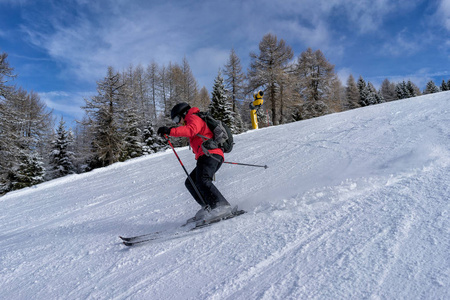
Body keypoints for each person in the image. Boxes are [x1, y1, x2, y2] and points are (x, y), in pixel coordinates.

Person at [157, 102, 232, 223]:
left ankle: (221, 206)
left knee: (203, 180)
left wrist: (170, 131)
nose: (177, 123)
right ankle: (208, 207)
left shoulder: (193, 117)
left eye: (177, 119)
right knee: (191, 182)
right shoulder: (192, 119)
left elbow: (191, 130)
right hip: (207, 155)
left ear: (184, 113)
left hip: (211, 154)